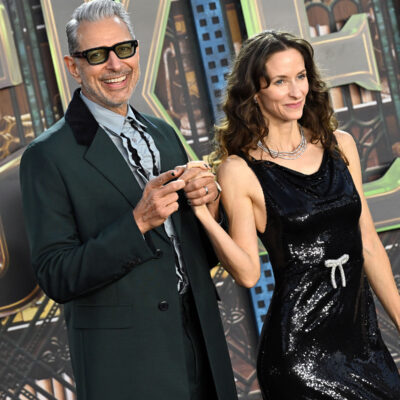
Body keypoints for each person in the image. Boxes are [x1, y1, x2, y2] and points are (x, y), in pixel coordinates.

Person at [19, 1, 238, 399]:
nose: (115, 65)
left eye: (124, 49)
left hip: (202, 344)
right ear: (74, 67)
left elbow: (193, 254)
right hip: (127, 368)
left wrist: (210, 207)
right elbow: (56, 275)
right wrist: (137, 223)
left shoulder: (163, 133)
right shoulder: (46, 156)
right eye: (97, 55)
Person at [191, 30, 400, 399]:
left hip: (364, 347)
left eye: (300, 77)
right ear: (255, 92)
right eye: (280, 81)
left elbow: (368, 244)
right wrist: (205, 217)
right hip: (299, 357)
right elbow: (247, 272)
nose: (295, 91)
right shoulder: (240, 170)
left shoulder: (341, 146)